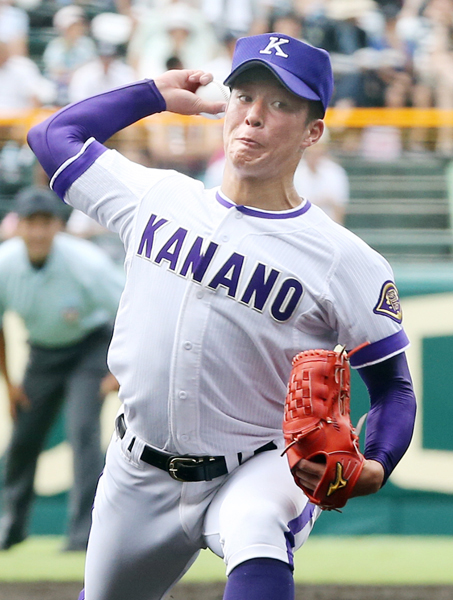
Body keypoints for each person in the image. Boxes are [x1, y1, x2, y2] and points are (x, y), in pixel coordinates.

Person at [27, 33, 417, 600]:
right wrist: (152, 94)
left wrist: (378, 464)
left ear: (313, 131)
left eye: (280, 104)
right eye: (244, 96)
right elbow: (50, 136)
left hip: (256, 464)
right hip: (138, 468)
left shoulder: (345, 259)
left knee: (259, 529)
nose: (254, 115)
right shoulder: (155, 196)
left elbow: (393, 388)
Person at [0, 186, 124, 551]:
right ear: (18, 226)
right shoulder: (5, 264)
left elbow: (129, 311)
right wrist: (9, 385)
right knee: (23, 439)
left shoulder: (86, 262)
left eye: (46, 223)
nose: (38, 232)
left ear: (58, 226)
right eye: (31, 223)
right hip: (43, 353)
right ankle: (12, 527)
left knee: (83, 432)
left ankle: (83, 533)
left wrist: (118, 372)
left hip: (89, 347)